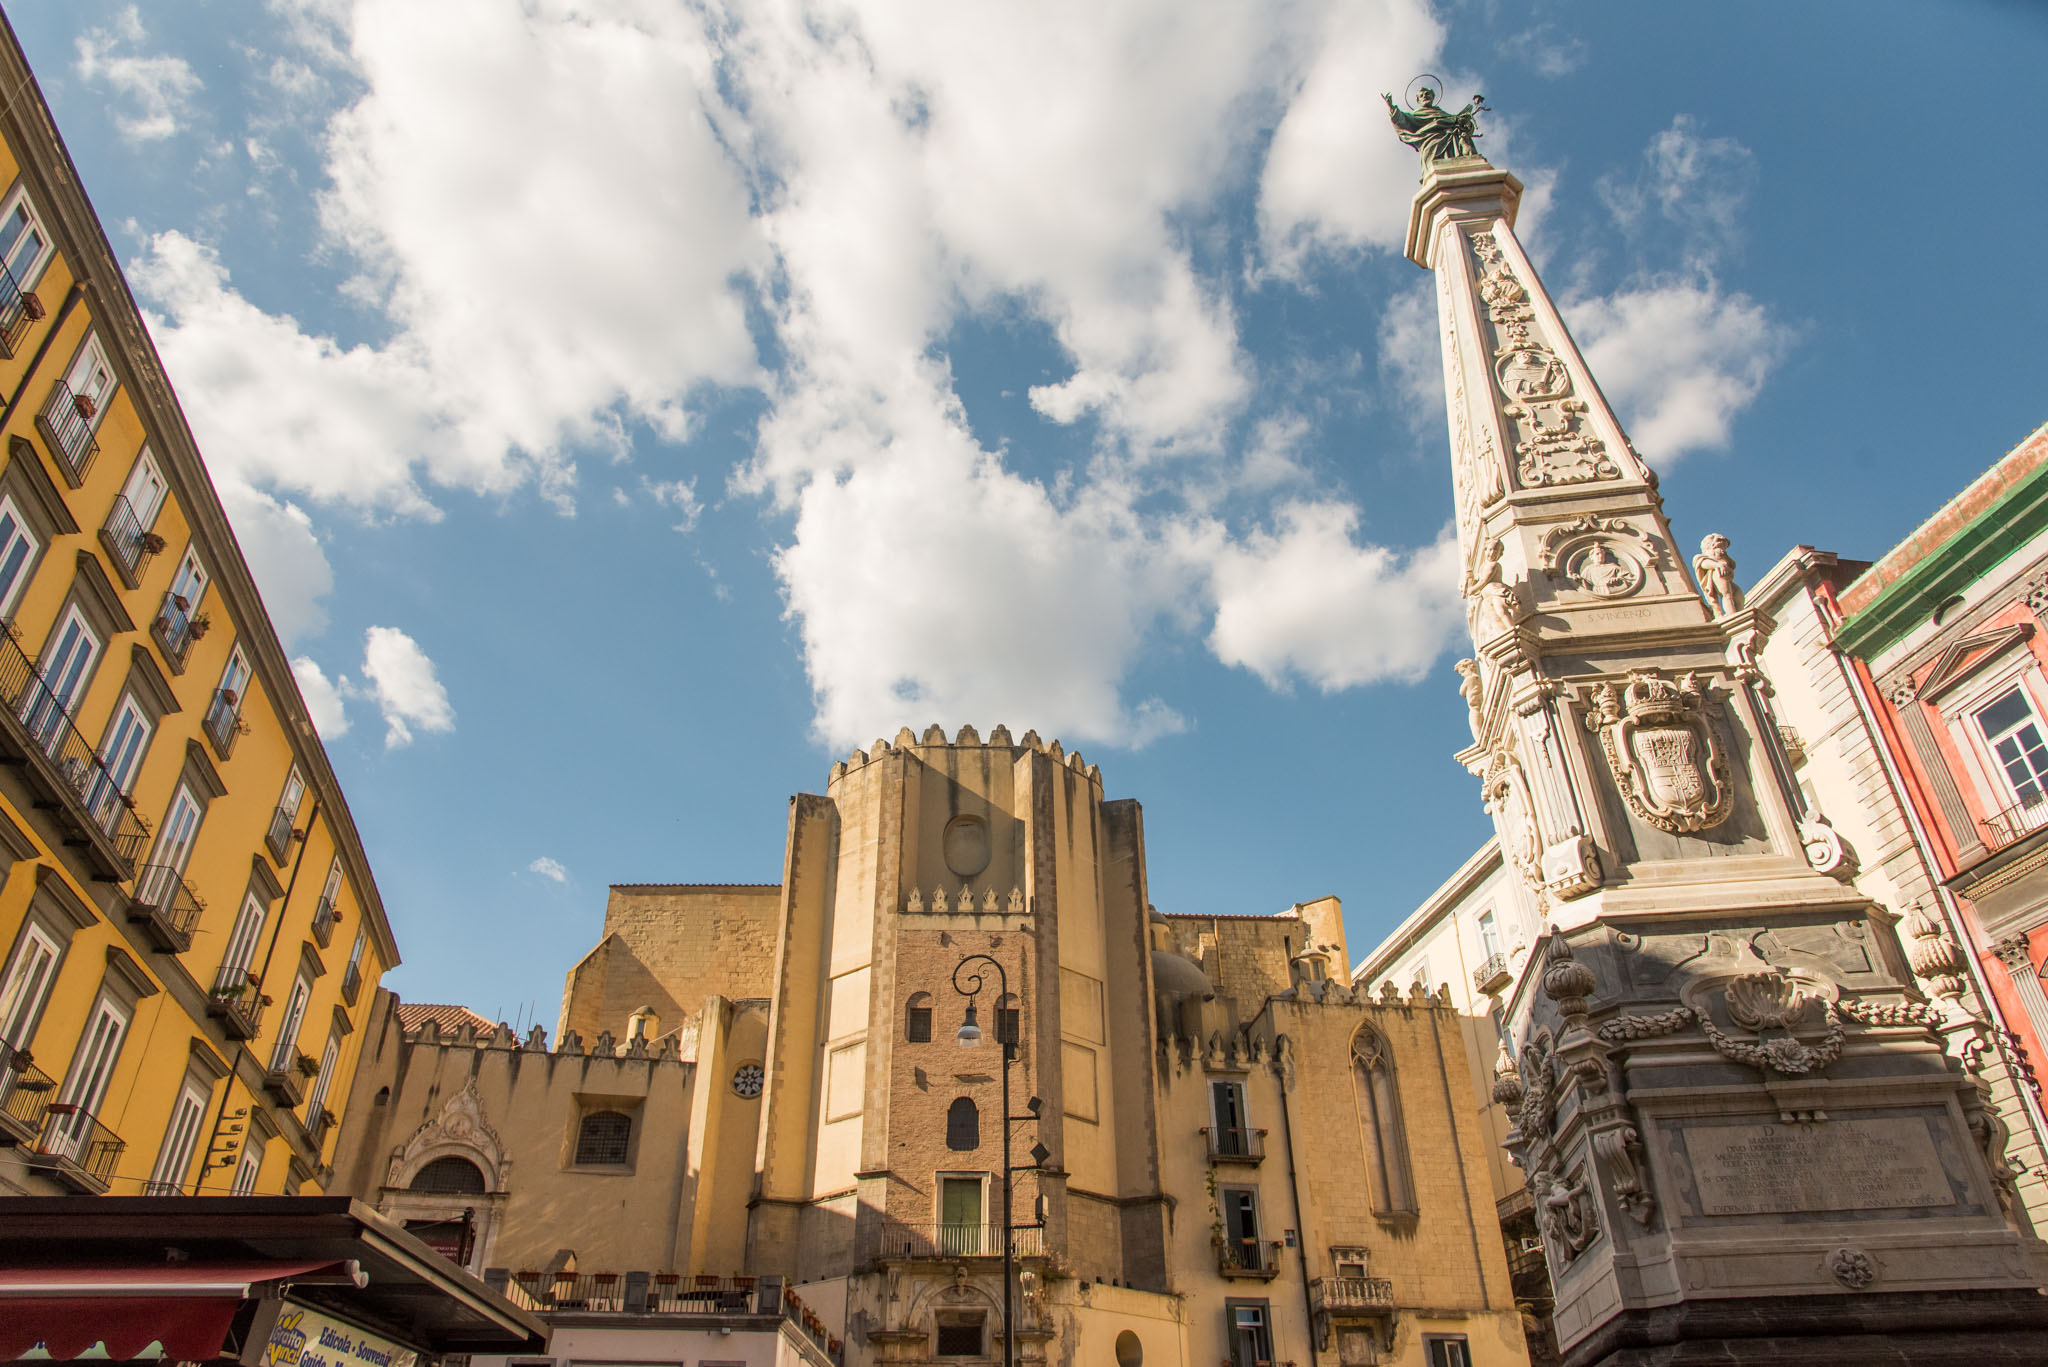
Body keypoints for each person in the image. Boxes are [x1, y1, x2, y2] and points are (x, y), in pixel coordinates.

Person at [1383, 86, 1487, 173]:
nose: (1425, 96)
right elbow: (1402, 120)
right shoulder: (1415, 116)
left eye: (1427, 94)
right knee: (1436, 167)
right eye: (1422, 95)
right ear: (1418, 100)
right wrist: (1391, 107)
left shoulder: (1442, 113)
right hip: (1432, 143)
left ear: (1433, 97)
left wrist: (1466, 122)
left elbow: (1459, 123)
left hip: (1452, 139)